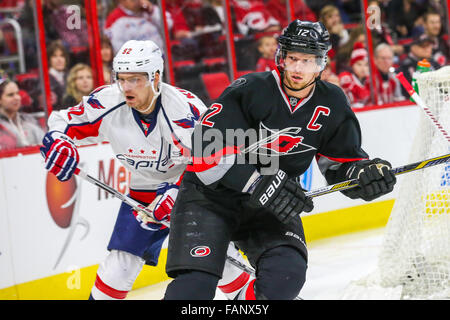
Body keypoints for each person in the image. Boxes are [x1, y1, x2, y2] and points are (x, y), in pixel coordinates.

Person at [163, 20, 397, 300]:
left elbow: (339, 164)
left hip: (269, 204)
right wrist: (256, 181)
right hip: (211, 199)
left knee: (285, 276)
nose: (298, 68)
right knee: (193, 289)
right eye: (293, 58)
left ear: (321, 62)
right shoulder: (251, 88)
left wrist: (362, 175)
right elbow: (205, 152)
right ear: (281, 57)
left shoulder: (332, 102)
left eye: (307, 61)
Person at [39, 40, 254, 300]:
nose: (126, 87)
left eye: (136, 80)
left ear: (156, 77)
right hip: (143, 191)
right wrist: (59, 140)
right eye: (122, 79)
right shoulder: (108, 101)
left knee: (224, 263)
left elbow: (215, 161)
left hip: (193, 190)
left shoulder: (184, 110)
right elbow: (64, 121)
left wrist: (177, 194)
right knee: (118, 266)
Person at [0, 79, 45, 150]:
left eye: (17, 93)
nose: (17, 98)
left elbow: (45, 143)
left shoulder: (29, 120)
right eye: (10, 95)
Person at [396, 28, 441, 98]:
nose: (428, 49)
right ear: (412, 47)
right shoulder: (404, 67)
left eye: (429, 45)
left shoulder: (434, 63)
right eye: (423, 46)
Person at [338, 42, 371, 108]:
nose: (363, 68)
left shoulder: (369, 80)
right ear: (352, 65)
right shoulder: (346, 78)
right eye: (359, 64)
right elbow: (353, 102)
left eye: (366, 65)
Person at [47, 40, 69, 111]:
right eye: (55, 56)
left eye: (62, 56)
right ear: (49, 60)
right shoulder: (44, 79)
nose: (59, 59)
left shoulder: (71, 75)